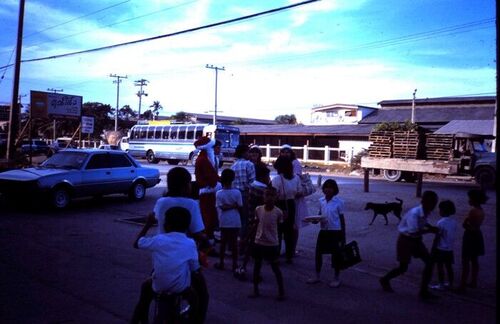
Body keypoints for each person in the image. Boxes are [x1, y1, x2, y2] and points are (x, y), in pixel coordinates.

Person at [131, 167, 209, 324]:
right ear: (184, 186)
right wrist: (207, 239)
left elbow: (153, 222)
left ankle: (138, 319)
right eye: (188, 183)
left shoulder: (161, 202)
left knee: (145, 296)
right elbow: (197, 231)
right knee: (202, 295)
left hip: (161, 253)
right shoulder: (192, 204)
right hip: (184, 257)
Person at [133, 207, 199, 323]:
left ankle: (137, 320)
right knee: (195, 300)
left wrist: (148, 224)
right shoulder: (190, 243)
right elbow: (194, 268)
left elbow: (137, 243)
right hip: (180, 288)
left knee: (144, 293)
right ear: (187, 226)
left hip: (158, 286)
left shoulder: (158, 240)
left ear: (166, 225)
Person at [379, 190, 439, 300]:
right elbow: (413, 232)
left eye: (434, 203)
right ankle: (385, 279)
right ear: (424, 202)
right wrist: (430, 231)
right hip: (406, 240)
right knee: (403, 267)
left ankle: (423, 291)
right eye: (432, 203)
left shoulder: (425, 211)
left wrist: (430, 227)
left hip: (415, 240)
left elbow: (422, 223)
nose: (433, 206)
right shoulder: (415, 213)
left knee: (429, 262)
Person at [306, 179, 345, 288]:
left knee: (336, 255)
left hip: (335, 231)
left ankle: (336, 278)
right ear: (323, 189)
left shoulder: (339, 202)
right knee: (318, 253)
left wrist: (343, 236)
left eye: (331, 187)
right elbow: (320, 215)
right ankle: (317, 275)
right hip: (324, 231)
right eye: (326, 187)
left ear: (335, 190)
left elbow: (342, 219)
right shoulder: (321, 201)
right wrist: (314, 220)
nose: (328, 189)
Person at [249, 186, 285, 301]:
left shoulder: (278, 212)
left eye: (272, 195)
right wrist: (247, 239)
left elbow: (280, 229)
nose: (269, 198)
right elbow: (255, 224)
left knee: (275, 268)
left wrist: (278, 244)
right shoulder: (258, 209)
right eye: (267, 195)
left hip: (272, 244)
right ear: (263, 197)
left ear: (276, 197)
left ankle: (281, 291)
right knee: (257, 267)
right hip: (259, 242)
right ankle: (255, 289)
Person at [236, 164, 271, 280]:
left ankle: (243, 267)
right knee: (257, 248)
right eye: (267, 176)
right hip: (258, 220)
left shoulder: (253, 186)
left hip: (253, 218)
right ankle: (254, 272)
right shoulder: (262, 190)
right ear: (263, 176)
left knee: (252, 246)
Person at [275, 144, 308, 257]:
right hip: (289, 199)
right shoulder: (282, 168)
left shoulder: (295, 164)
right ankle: (289, 252)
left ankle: (291, 250)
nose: (285, 154)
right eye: (283, 152)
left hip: (293, 200)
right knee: (288, 227)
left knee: (292, 226)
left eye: (287, 152)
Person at [271, 156, 302, 264]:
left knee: (277, 231)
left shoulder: (277, 179)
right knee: (289, 231)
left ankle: (275, 255)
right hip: (291, 204)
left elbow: (274, 195)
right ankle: (289, 255)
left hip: (279, 204)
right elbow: (299, 192)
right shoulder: (296, 178)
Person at [457, 189, 488, 292]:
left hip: (470, 236)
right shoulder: (481, 211)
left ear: (474, 200)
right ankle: (473, 281)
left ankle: (462, 285)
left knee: (465, 260)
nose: (468, 200)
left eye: (470, 198)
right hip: (478, 235)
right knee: (474, 260)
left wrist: (465, 222)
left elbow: (467, 225)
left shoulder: (472, 211)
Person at [214, 169, 243, 274]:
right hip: (235, 220)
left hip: (224, 220)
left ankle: (221, 262)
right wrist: (233, 205)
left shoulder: (219, 193)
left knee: (223, 242)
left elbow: (221, 207)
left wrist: (228, 206)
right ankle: (235, 264)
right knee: (234, 243)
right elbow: (239, 205)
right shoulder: (237, 192)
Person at [194, 136, 220, 241]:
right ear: (208, 148)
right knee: (208, 217)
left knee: (210, 216)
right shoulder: (204, 160)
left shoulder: (205, 158)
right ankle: (207, 242)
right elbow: (211, 176)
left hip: (208, 190)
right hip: (207, 191)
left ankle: (210, 238)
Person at [429, 200, 457, 290]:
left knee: (440, 266)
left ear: (442, 210)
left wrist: (433, 248)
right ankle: (451, 283)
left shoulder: (440, 222)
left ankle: (441, 284)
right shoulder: (454, 222)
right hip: (449, 248)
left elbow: (437, 237)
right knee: (449, 266)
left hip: (440, 248)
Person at [231, 144, 256, 240]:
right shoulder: (249, 164)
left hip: (234, 194)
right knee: (245, 219)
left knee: (236, 218)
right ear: (243, 153)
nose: (249, 154)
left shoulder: (233, 165)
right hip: (245, 194)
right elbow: (252, 183)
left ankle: (234, 240)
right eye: (248, 152)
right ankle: (242, 241)